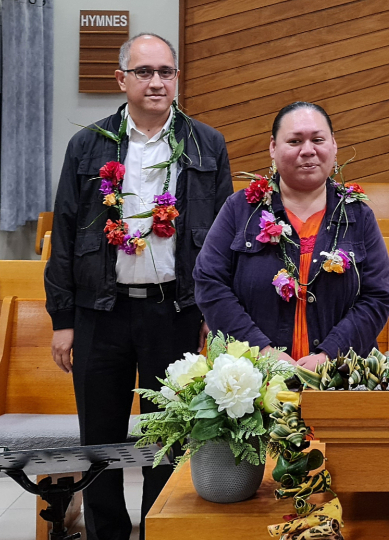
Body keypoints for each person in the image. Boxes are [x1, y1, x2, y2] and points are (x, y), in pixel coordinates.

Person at [44, 33, 233, 540]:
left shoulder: (205, 144)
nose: (156, 82)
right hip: (99, 314)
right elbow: (64, 231)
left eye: (165, 72)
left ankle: (159, 530)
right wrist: (63, 321)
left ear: (176, 78)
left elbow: (223, 240)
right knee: (101, 438)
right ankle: (106, 532)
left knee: (166, 437)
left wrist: (213, 317)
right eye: (145, 72)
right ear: (121, 79)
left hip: (173, 313)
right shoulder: (89, 144)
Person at [194, 101, 389, 370]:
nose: (308, 150)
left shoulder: (358, 216)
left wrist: (329, 356)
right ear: (273, 148)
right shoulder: (240, 209)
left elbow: (378, 296)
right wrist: (261, 352)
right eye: (295, 141)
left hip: (338, 375)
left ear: (334, 146)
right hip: (252, 377)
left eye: (318, 139)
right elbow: (209, 282)